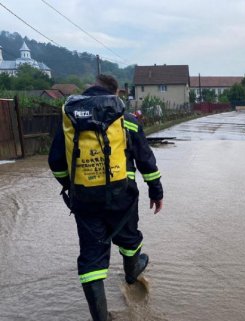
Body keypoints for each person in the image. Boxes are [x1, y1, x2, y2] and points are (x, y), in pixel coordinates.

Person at [48, 74, 163, 321]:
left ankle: (101, 318)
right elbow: (145, 160)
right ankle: (132, 273)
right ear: (116, 94)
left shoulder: (70, 120)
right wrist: (156, 191)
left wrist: (72, 186)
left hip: (85, 199)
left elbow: (56, 162)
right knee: (130, 238)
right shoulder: (127, 121)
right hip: (123, 196)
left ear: (90, 90)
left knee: (92, 258)